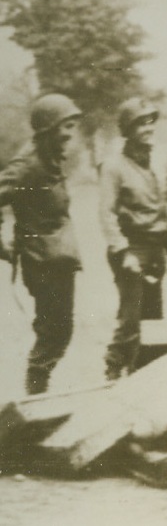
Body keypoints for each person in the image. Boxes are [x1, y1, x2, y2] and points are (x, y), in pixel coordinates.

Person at [0, 94, 84, 394]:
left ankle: (38, 388)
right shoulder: (27, 165)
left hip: (58, 258)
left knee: (60, 330)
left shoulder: (50, 157)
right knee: (54, 332)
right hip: (42, 261)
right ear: (48, 128)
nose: (70, 134)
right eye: (66, 126)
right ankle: (36, 392)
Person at [101, 97, 167, 379]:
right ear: (128, 130)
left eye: (150, 122)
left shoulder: (149, 166)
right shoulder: (113, 167)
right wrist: (123, 252)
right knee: (131, 318)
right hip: (132, 250)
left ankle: (141, 374)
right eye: (141, 123)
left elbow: (160, 209)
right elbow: (106, 214)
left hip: (155, 250)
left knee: (153, 319)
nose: (148, 128)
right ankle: (112, 368)